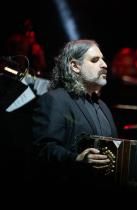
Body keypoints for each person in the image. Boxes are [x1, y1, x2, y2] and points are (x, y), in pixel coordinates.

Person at [31, 39, 118, 191]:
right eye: (95, 60)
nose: (104, 65)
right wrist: (76, 158)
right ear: (75, 66)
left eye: (103, 59)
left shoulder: (103, 107)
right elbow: (44, 148)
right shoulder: (55, 99)